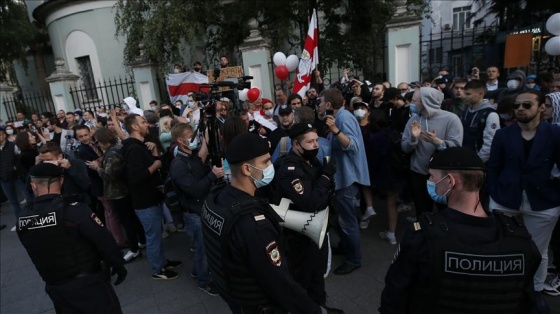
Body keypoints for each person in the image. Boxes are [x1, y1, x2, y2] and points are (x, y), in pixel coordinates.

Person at [379, 147, 542, 314]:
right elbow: (530, 302)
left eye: (432, 176)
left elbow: (393, 300)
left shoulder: (421, 237)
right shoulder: (519, 240)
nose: (429, 181)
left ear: (450, 181)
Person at [202, 132, 337, 313]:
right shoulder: (254, 224)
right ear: (247, 169)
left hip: (236, 299)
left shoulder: (216, 199)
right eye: (265, 162)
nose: (270, 166)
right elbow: (280, 283)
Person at [17, 163, 127, 313]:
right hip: (89, 285)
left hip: (57, 290)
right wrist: (117, 264)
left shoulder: (23, 219)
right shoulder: (75, 212)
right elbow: (104, 240)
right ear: (61, 181)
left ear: (33, 186)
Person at [487, 91, 560, 312]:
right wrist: (493, 192)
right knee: (501, 246)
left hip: (543, 201)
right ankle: (501, 288)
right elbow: (493, 167)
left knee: (538, 250)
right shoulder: (503, 134)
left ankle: (534, 292)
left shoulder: (555, 134)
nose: (520, 109)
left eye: (527, 105)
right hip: (505, 198)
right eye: (516, 106)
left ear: (541, 108)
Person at [276, 123, 341, 312]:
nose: (315, 145)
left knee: (317, 275)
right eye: (309, 142)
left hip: (317, 230)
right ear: (296, 145)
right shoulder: (290, 169)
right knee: (302, 280)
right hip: (300, 237)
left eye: (316, 140)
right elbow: (309, 202)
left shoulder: (310, 161)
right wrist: (326, 177)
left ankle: (319, 307)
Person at [121, 114, 182, 280]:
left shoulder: (138, 146)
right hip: (145, 202)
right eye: (142, 122)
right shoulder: (133, 149)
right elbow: (135, 178)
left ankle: (162, 262)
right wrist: (155, 165)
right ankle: (157, 269)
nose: (146, 124)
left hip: (151, 199)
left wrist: (154, 153)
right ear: (134, 127)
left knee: (156, 232)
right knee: (153, 236)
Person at [320, 88, 370, 275]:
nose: (318, 104)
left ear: (329, 104)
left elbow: (354, 146)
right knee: (338, 218)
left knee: (347, 221)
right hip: (341, 178)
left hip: (347, 179)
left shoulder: (343, 119)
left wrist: (336, 131)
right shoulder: (339, 117)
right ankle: (346, 246)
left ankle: (354, 259)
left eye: (320, 101)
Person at [169, 123, 223, 295]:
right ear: (180, 139)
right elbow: (194, 189)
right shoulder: (178, 165)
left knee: (202, 248)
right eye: (190, 136)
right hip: (194, 213)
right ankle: (204, 280)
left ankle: (197, 270)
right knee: (203, 248)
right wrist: (213, 175)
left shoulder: (190, 158)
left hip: (200, 209)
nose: (194, 139)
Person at [401, 87, 463, 218]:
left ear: (425, 102)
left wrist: (438, 142)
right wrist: (413, 139)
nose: (411, 104)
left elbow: (457, 148)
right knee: (422, 212)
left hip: (444, 176)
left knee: (446, 212)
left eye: (414, 101)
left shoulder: (451, 119)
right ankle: (423, 236)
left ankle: (444, 237)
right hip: (418, 174)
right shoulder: (413, 120)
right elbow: (404, 147)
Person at [91, 127, 146, 263]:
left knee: (127, 222)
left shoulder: (112, 154)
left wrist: (97, 168)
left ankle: (134, 249)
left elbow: (109, 175)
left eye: (97, 142)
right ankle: (142, 242)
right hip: (122, 191)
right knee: (132, 219)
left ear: (103, 140)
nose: (97, 144)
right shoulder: (115, 149)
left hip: (118, 193)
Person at [461, 79, 500, 163]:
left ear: (480, 93)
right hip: (464, 158)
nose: (464, 97)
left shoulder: (490, 115)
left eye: (468, 94)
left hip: (479, 163)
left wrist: (477, 162)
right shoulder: (465, 112)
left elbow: (490, 144)